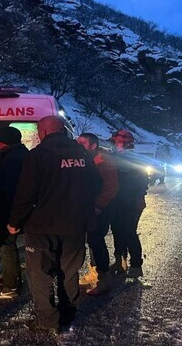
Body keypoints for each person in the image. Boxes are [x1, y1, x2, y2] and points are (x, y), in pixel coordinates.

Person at [8, 116, 100, 334]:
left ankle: (48, 320)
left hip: (43, 226)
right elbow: (96, 185)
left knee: (39, 274)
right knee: (69, 270)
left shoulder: (38, 155)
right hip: (75, 224)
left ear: (44, 132)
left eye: (39, 131)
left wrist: (14, 221)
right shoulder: (83, 154)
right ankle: (68, 312)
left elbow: (25, 193)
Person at [0, 127, 29, 299]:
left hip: (5, 210)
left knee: (6, 246)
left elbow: (6, 188)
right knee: (8, 246)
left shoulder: (11, 159)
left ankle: (10, 286)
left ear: (5, 141)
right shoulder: (20, 154)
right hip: (12, 209)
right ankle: (11, 277)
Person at [76, 133, 119, 295]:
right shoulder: (90, 158)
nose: (78, 145)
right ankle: (95, 274)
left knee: (96, 240)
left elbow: (111, 186)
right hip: (92, 206)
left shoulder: (103, 160)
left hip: (101, 207)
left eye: (82, 143)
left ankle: (103, 279)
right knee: (92, 240)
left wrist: (99, 205)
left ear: (93, 145)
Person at [108, 129, 148, 278]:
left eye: (120, 142)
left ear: (128, 143)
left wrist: (139, 197)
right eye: (116, 141)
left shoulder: (135, 159)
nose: (117, 144)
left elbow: (142, 180)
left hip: (131, 201)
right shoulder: (112, 157)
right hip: (115, 200)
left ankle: (136, 265)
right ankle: (120, 261)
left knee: (129, 232)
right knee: (117, 231)